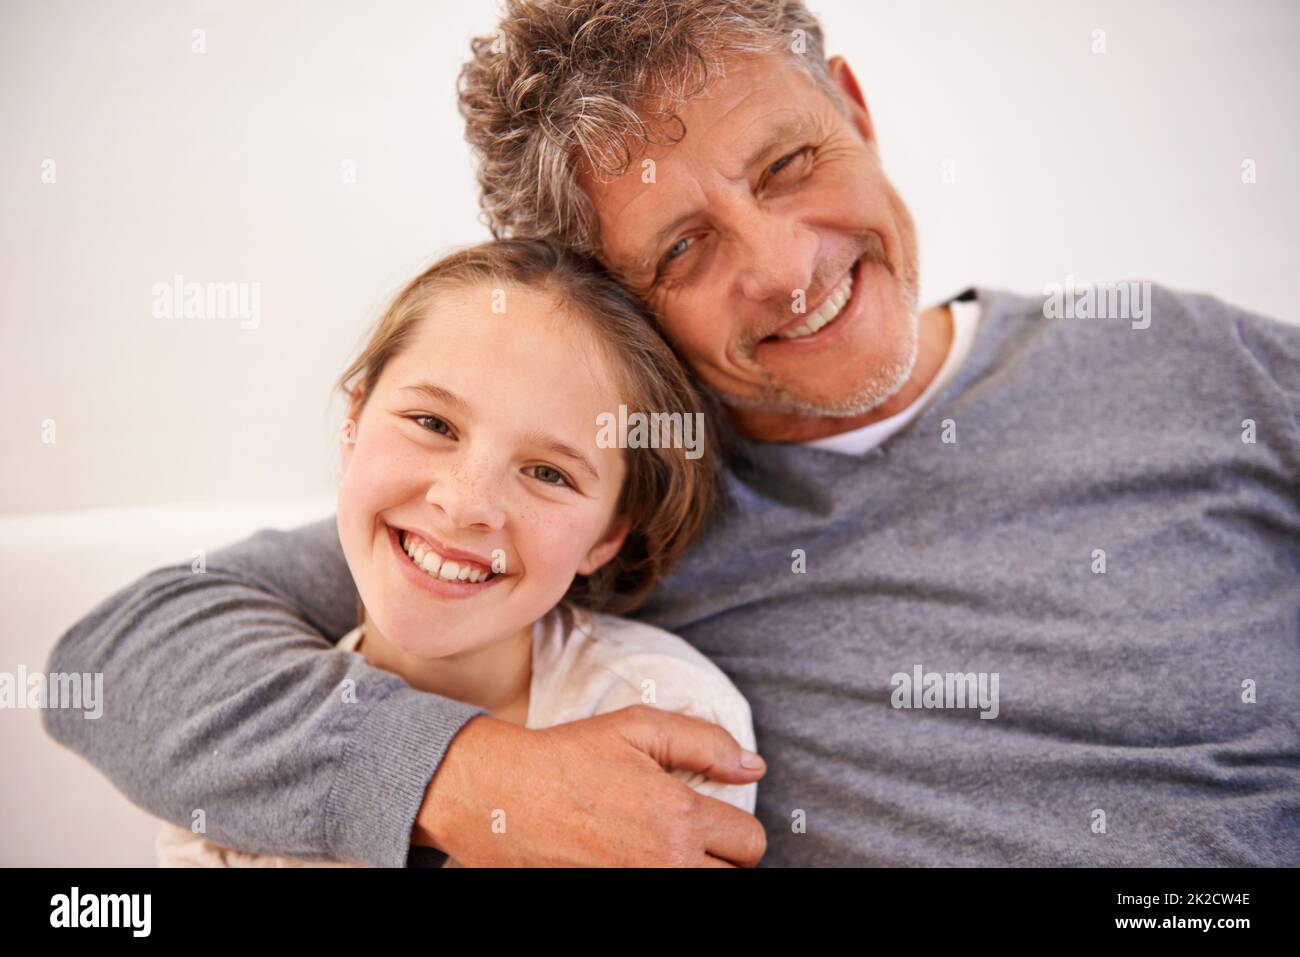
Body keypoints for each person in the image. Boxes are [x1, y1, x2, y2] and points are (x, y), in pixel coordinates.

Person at [44, 0, 1299, 867]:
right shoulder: (607, 503)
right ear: (618, 300)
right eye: (683, 248)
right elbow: (123, 657)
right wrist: (473, 781)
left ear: (852, 106)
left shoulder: (1192, 361)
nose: (784, 267)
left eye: (790, 163)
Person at [150, 238, 757, 866]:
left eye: (549, 473)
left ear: (606, 537)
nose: (466, 503)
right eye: (432, 424)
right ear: (352, 425)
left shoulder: (671, 717)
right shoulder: (227, 776)